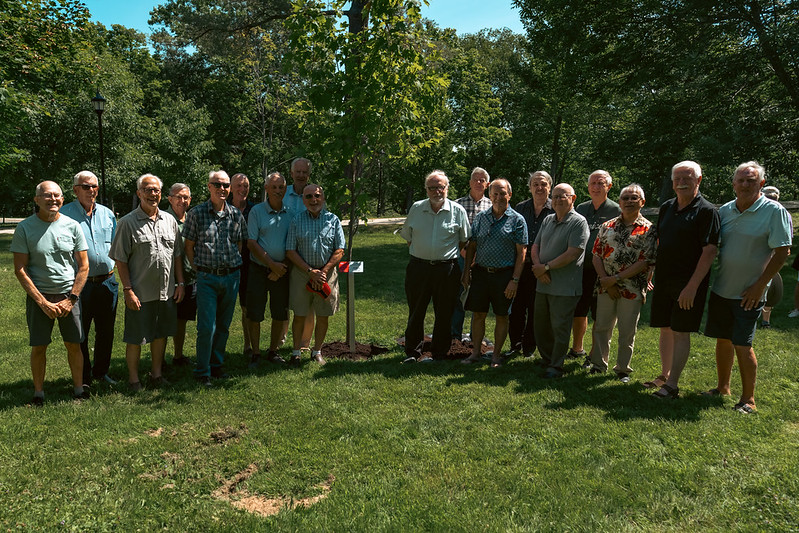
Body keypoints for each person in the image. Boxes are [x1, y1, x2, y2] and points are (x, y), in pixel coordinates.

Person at [704, 162, 791, 413]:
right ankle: (722, 387)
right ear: (733, 184)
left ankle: (749, 400)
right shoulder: (725, 211)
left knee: (743, 343)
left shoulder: (774, 211)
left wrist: (760, 285)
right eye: (740, 180)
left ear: (761, 184)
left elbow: (782, 251)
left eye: (751, 181)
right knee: (723, 340)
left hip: (750, 292)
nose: (744, 185)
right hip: (722, 288)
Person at [11, 181, 89, 404]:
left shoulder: (72, 226)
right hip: (40, 296)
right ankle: (38, 393)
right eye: (47, 195)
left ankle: (78, 390)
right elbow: (20, 269)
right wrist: (42, 302)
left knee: (74, 344)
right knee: (39, 346)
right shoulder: (25, 228)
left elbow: (83, 266)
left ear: (63, 200)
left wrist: (71, 299)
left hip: (68, 296)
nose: (53, 199)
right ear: (37, 200)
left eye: (57, 195)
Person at [648, 161, 720, 399]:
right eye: (677, 178)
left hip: (688, 283)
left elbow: (709, 251)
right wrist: (651, 274)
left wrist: (692, 287)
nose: (681, 182)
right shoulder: (667, 207)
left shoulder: (707, 211)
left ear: (698, 180)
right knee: (665, 328)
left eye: (687, 177)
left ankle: (673, 385)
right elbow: (659, 243)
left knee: (680, 331)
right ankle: (664, 375)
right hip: (665, 279)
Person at [110, 174, 185, 391]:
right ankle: (133, 380)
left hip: (166, 291)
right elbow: (120, 260)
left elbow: (177, 255)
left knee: (160, 334)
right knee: (135, 338)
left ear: (161, 194)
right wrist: (128, 290)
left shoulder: (169, 221)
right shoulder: (127, 223)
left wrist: (180, 283)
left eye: (156, 190)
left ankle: (156, 375)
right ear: (139, 193)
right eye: (148, 190)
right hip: (140, 292)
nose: (153, 194)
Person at [183, 170, 248, 386]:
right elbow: (189, 246)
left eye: (225, 185)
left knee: (223, 326)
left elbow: (239, 244)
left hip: (231, 277)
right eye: (217, 184)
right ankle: (202, 371)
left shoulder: (236, 215)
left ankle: (217, 365)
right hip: (207, 278)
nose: (222, 189)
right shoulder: (196, 213)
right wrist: (198, 269)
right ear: (209, 186)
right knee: (206, 327)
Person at [400, 170, 470, 363]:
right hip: (418, 268)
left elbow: (464, 240)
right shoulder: (416, 208)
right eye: (432, 188)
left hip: (446, 270)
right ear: (426, 189)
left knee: (444, 312)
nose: (437, 191)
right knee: (416, 311)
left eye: (440, 187)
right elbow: (409, 237)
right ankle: (413, 352)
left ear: (447, 188)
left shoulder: (458, 211)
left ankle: (440, 353)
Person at [589, 184, 656, 382]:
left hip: (632, 288)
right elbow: (596, 255)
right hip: (606, 286)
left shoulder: (649, 230)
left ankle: (622, 369)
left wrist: (616, 279)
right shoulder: (607, 226)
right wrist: (606, 281)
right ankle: (598, 364)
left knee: (627, 331)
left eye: (633, 198)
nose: (628, 201)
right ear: (619, 202)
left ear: (642, 202)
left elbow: (645, 261)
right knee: (602, 327)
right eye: (625, 198)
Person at [460, 179, 527, 367]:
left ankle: (496, 355)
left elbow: (522, 252)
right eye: (495, 194)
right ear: (490, 196)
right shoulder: (481, 217)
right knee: (478, 314)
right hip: (481, 273)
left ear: (510, 195)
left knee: (501, 315)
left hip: (504, 276)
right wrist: (466, 272)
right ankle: (475, 353)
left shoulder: (517, 220)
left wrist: (514, 280)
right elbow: (472, 246)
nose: (498, 197)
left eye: (502, 193)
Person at [61, 170, 118, 387]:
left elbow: (114, 246)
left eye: (94, 186)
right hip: (79, 285)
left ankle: (101, 372)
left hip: (107, 282)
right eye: (86, 187)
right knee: (80, 331)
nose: (91, 190)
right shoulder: (64, 215)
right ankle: (83, 377)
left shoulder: (107, 214)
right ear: (76, 190)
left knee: (106, 331)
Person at [531, 183, 589, 378]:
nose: (556, 200)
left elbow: (573, 253)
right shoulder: (548, 220)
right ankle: (547, 359)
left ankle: (556, 366)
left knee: (560, 327)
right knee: (541, 326)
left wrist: (545, 268)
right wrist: (539, 268)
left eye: (561, 196)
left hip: (564, 287)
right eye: (554, 196)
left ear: (573, 198)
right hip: (543, 283)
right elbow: (535, 246)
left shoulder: (579, 222)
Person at [285, 184, 345, 365]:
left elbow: (340, 249)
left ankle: (317, 351)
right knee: (300, 314)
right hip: (302, 273)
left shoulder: (333, 220)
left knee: (323, 315)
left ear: (323, 198)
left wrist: (324, 271)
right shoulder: (296, 220)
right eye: (309, 197)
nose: (314, 200)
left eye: (317, 196)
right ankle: (296, 351)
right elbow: (290, 250)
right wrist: (310, 272)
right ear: (303, 200)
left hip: (327, 274)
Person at [571, 170, 620, 366]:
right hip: (580, 269)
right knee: (578, 310)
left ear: (609, 187)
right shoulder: (581, 209)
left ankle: (594, 353)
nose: (596, 187)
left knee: (600, 314)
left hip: (605, 271)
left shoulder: (616, 209)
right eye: (593, 183)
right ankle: (577, 348)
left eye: (601, 183)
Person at [247, 172, 294, 367]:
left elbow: (293, 244)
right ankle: (256, 352)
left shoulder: (291, 213)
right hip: (258, 268)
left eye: (281, 187)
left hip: (282, 271)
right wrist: (271, 265)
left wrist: (279, 268)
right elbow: (251, 243)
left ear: (285, 189)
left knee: (279, 313)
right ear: (266, 188)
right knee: (254, 313)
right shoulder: (256, 212)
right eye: (273, 187)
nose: (277, 190)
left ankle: (273, 351)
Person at [509, 170, 554, 358]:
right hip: (521, 265)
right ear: (529, 187)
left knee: (536, 308)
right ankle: (515, 345)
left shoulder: (555, 208)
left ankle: (529, 347)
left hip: (543, 267)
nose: (539, 187)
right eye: (535, 184)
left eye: (543, 184)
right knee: (517, 307)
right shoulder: (520, 208)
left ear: (550, 187)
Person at [451, 167, 491, 342]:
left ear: (487, 184)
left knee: (478, 298)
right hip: (461, 256)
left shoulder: (491, 205)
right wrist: (463, 251)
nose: (478, 182)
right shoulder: (457, 204)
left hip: (483, 259)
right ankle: (454, 335)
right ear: (469, 182)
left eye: (482, 180)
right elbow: (452, 232)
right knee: (459, 294)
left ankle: (476, 336)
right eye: (475, 179)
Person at [165, 183, 196, 366]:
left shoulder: (191, 219)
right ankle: (158, 359)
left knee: (182, 319)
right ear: (170, 198)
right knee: (163, 319)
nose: (182, 201)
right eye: (178, 197)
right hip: (167, 280)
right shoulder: (162, 218)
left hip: (189, 277)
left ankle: (178, 355)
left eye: (185, 197)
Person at [229, 172, 256, 359]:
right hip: (227, 264)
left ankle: (248, 345)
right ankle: (215, 348)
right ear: (230, 187)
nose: (242, 189)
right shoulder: (223, 208)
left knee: (247, 307)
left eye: (245, 185)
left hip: (249, 265)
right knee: (223, 308)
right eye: (238, 185)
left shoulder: (254, 210)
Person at [759, 186, 784, 328]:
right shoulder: (759, 213)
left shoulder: (781, 214)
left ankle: (765, 321)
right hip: (756, 260)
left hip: (772, 259)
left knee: (768, 290)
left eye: (774, 197)